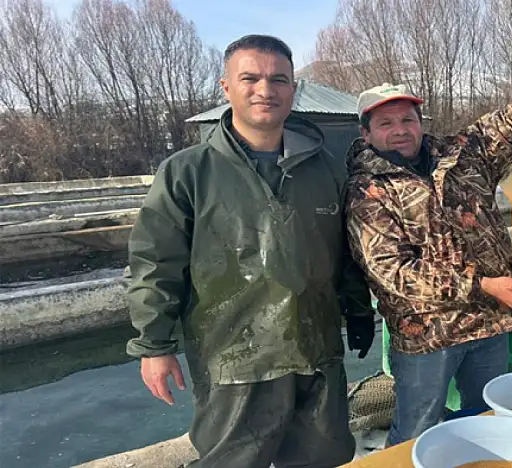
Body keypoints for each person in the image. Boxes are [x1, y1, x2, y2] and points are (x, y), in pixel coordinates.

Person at [125, 34, 375, 468]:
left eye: (279, 79)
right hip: (233, 361)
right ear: (226, 88)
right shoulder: (188, 172)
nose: (266, 89)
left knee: (324, 456)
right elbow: (155, 262)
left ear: (293, 91)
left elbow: (346, 252)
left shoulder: (327, 169)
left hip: (316, 353)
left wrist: (357, 311)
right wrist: (154, 345)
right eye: (251, 78)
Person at [343, 78, 512, 447]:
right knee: (416, 431)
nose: (400, 131)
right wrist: (482, 285)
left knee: (487, 419)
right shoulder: (367, 191)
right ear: (366, 134)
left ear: (421, 121)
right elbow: (393, 273)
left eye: (408, 119)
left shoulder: (461, 153)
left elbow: (502, 126)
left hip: (488, 324)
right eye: (386, 124)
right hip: (427, 338)